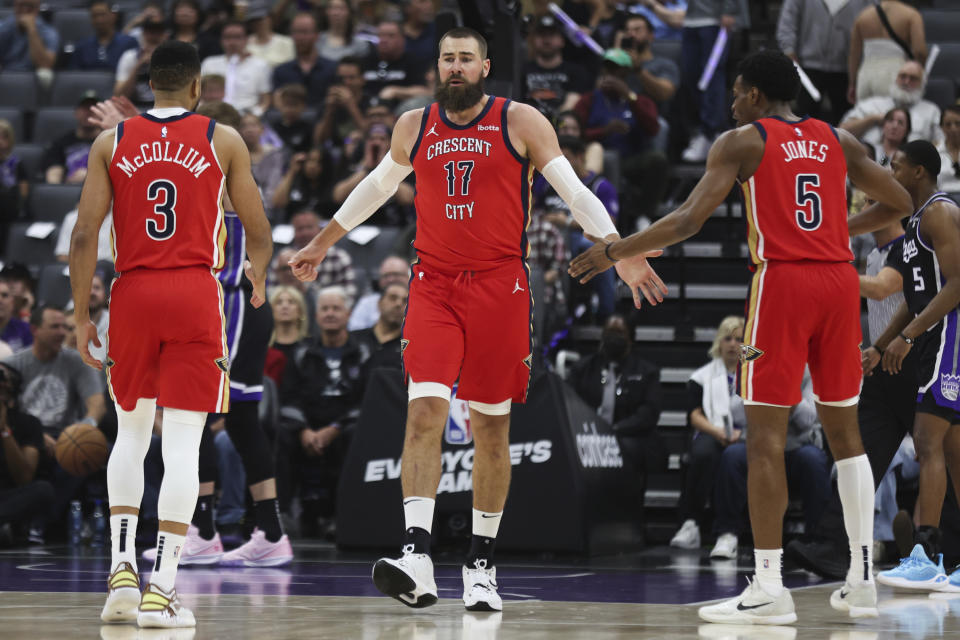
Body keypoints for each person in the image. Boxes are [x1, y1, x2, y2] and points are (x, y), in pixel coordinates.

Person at [288, 26, 665, 612]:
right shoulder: (414, 125)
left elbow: (575, 192)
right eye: (447, 59)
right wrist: (323, 242)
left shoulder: (521, 121)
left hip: (501, 287)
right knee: (423, 415)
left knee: (491, 429)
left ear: (485, 66)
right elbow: (377, 188)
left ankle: (481, 563)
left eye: (466, 58)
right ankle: (416, 552)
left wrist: (618, 249)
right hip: (433, 286)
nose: (456, 67)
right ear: (437, 67)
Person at [570, 49, 914, 624]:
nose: (730, 104)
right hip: (837, 284)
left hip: (784, 285)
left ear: (755, 95)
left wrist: (615, 250)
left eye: (735, 93)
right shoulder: (838, 138)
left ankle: (769, 587)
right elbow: (901, 202)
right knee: (846, 435)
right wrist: (837, 228)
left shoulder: (741, 141)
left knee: (762, 440)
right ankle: (863, 577)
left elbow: (686, 220)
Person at [68, 40, 272, 628]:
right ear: (197, 89)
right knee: (184, 440)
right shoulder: (221, 138)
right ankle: (163, 592)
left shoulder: (111, 142)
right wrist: (257, 279)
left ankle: (121, 576)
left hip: (131, 293)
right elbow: (256, 226)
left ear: (149, 84)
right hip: (192, 293)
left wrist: (83, 314)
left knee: (130, 435)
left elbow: (84, 236)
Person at [863, 142, 960, 594]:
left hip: (949, 335)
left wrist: (908, 336)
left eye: (895, 165)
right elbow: (913, 298)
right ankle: (944, 560)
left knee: (925, 440)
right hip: (931, 334)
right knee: (954, 451)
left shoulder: (940, 212)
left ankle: (925, 555)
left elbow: (957, 284)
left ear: (918, 171)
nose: (889, 170)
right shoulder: (916, 221)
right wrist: (881, 345)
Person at [710, 368, 830, 561]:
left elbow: (808, 419)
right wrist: (761, 388)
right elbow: (736, 414)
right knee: (732, 456)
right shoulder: (753, 364)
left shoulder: (809, 370)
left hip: (796, 448)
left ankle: (816, 540)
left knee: (814, 460)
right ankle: (727, 534)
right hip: (759, 446)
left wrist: (787, 393)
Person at [276, 286, 366, 537]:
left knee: (355, 434)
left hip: (344, 425)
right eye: (325, 308)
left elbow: (365, 400)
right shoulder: (301, 352)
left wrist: (334, 429)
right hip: (306, 425)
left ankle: (342, 516)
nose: (330, 314)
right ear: (316, 316)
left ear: (348, 314)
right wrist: (304, 430)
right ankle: (281, 515)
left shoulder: (362, 352)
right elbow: (289, 397)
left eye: (336, 308)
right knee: (281, 435)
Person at [569, 314, 662, 510]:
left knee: (630, 449)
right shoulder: (582, 369)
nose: (613, 338)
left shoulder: (647, 371)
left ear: (630, 337)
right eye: (609, 333)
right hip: (588, 435)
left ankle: (630, 519)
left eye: (619, 333)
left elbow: (649, 412)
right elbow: (570, 403)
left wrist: (616, 429)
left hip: (628, 435)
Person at [670, 315, 744, 550]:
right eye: (728, 339)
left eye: (739, 339)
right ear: (719, 343)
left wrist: (740, 434)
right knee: (703, 453)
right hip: (712, 432)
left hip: (747, 435)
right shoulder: (701, 376)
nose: (733, 344)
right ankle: (690, 524)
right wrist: (719, 432)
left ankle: (728, 532)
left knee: (732, 459)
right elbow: (694, 415)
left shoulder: (755, 372)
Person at [776, 0, 871, 126]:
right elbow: (787, 21)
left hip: (846, 68)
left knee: (844, 122)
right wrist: (789, 51)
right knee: (804, 120)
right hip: (807, 66)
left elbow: (873, 18)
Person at [0, 362, 53, 544]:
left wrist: (5, 431)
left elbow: (24, 477)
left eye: (4, 378)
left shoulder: (28, 423)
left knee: (42, 490)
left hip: (8, 496)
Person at [839, 61, 942, 149]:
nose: (906, 82)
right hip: (868, 163)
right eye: (903, 76)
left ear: (922, 84)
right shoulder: (871, 104)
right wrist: (872, 119)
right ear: (895, 79)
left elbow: (942, 144)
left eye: (913, 79)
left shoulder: (931, 111)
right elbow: (841, 133)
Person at [848, 0, 926, 104]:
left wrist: (852, 83)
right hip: (895, 72)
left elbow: (854, 56)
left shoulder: (863, 16)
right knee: (892, 116)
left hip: (866, 74)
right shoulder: (911, 15)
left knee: (864, 114)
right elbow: (919, 51)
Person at [200, 21, 272, 117]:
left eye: (237, 37)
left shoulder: (260, 65)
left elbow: (265, 100)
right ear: (221, 40)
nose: (232, 42)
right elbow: (198, 95)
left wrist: (254, 115)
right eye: (228, 37)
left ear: (246, 39)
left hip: (247, 116)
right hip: (213, 115)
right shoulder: (209, 63)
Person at [272, 13, 337, 106]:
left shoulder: (332, 69)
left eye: (304, 32)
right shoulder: (281, 71)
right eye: (296, 32)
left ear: (317, 35)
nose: (300, 37)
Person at [44, 93, 103, 185]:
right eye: (85, 108)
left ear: (102, 113)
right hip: (70, 191)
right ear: (76, 113)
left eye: (94, 108)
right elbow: (53, 174)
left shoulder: (110, 142)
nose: (89, 112)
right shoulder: (61, 143)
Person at [352, 281, 408, 371]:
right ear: (379, 303)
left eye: (405, 301)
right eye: (393, 298)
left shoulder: (410, 348)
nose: (398, 304)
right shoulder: (354, 339)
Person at [114, 18, 168, 110]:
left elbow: (178, 95)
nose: (154, 36)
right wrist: (138, 65)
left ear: (165, 36)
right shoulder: (129, 57)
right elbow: (119, 95)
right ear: (143, 34)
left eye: (158, 32)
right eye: (150, 32)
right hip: (134, 108)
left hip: (165, 108)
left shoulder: (174, 58)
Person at [71, 0, 138, 72]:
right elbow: (74, 75)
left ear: (113, 16)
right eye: (94, 16)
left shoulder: (129, 43)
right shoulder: (82, 46)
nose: (99, 20)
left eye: (103, 15)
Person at [348, 255, 410, 331]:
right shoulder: (367, 303)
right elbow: (355, 331)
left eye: (396, 274)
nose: (391, 279)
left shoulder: (422, 302)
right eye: (386, 276)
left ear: (408, 277)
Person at [0, 0, 57, 72]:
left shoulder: (49, 33)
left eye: (30, 6)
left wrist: (32, 30)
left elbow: (45, 65)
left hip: (34, 79)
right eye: (21, 5)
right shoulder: (4, 28)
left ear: (37, 9)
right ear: (15, 6)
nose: (25, 10)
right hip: (6, 77)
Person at [937, 105, 960, 195]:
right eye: (948, 125)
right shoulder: (935, 152)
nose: (953, 129)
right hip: (942, 200)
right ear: (942, 127)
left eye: (958, 124)